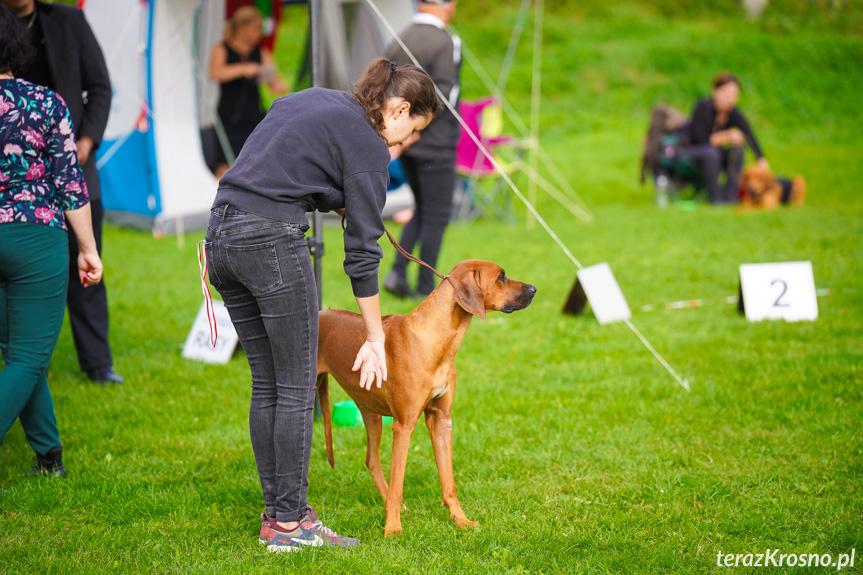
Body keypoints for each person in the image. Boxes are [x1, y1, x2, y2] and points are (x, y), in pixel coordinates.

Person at [204, 58, 439, 551]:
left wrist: (343, 198)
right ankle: (290, 523)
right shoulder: (369, 145)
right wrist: (376, 337)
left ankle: (277, 517)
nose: (395, 149)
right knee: (293, 387)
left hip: (221, 235)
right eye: (404, 136)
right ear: (397, 109)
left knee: (267, 384)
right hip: (270, 240)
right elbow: (361, 256)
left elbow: (282, 164)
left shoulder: (311, 100)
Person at [0, 3, 103, 477]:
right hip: (36, 237)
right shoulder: (45, 104)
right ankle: (47, 454)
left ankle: (48, 455)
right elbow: (71, 184)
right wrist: (87, 249)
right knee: (27, 356)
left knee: (22, 354)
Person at [383, 0, 461, 299]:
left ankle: (398, 273)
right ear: (448, 5)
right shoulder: (445, 40)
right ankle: (425, 288)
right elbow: (444, 93)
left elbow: (386, 86)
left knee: (422, 210)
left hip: (406, 140)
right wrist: (418, 129)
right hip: (434, 142)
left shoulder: (401, 35)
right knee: (437, 215)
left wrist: (400, 133)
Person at [209, 6, 288, 180]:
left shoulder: (261, 52)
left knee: (255, 159)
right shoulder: (222, 48)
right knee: (225, 163)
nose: (258, 33)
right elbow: (215, 73)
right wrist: (244, 69)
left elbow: (272, 80)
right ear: (241, 28)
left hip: (253, 114)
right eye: (254, 28)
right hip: (228, 115)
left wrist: (278, 84)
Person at [682, 71, 768, 204]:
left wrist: (761, 159)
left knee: (737, 150)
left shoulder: (732, 113)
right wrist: (727, 136)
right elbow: (700, 139)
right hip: (691, 152)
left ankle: (730, 197)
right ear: (714, 91)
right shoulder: (702, 106)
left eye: (734, 95)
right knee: (711, 153)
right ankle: (716, 199)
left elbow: (748, 133)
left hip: (713, 155)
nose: (730, 99)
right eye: (726, 94)